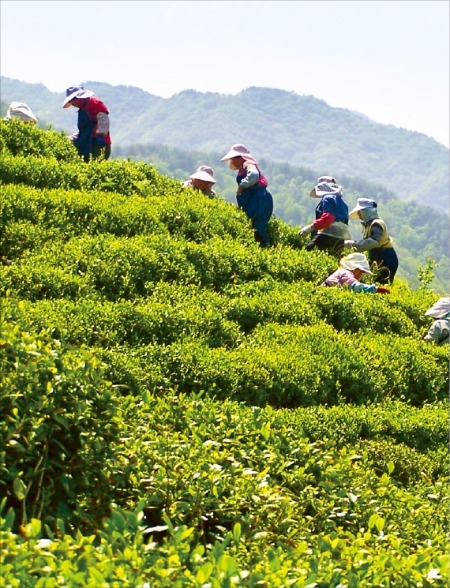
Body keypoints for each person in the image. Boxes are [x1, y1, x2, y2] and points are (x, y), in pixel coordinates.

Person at [220, 143, 273, 247]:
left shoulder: (248, 164)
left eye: (234, 158)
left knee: (258, 229)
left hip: (258, 201)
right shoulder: (242, 168)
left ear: (240, 157)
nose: (232, 161)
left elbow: (254, 175)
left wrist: (242, 185)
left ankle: (264, 250)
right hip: (253, 201)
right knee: (252, 227)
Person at [345, 198, 398, 284]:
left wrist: (351, 244)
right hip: (379, 256)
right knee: (376, 283)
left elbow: (373, 242)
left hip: (385, 257)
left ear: (365, 211)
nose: (358, 214)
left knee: (381, 284)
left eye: (360, 211)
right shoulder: (370, 224)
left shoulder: (376, 224)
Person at [299, 176, 351, 257]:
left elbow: (328, 218)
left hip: (327, 234)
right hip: (341, 238)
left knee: (309, 253)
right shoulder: (342, 203)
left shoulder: (327, 198)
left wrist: (310, 228)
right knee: (334, 258)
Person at [63, 86, 111, 162]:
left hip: (97, 143)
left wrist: (101, 135)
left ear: (77, 98)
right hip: (86, 143)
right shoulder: (82, 108)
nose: (72, 104)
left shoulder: (94, 103)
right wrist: (72, 138)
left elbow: (103, 119)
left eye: (72, 101)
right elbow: (84, 130)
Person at [322, 252, 390, 294]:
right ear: (355, 268)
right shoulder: (346, 273)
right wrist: (377, 289)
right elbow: (356, 287)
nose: (361, 275)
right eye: (361, 272)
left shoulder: (342, 271)